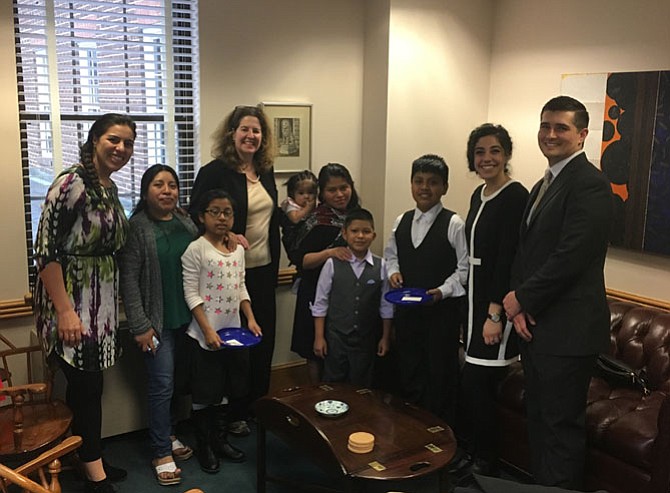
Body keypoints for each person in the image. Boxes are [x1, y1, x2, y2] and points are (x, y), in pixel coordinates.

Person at [502, 96, 613, 489]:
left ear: (582, 135)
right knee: (540, 421)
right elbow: (527, 251)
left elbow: (572, 257)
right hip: (537, 327)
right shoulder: (543, 184)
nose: (551, 134)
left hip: (568, 332)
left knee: (560, 428)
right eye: (545, 125)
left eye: (561, 127)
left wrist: (521, 299)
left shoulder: (591, 185)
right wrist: (517, 305)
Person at [33, 113, 135, 493]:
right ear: (95, 140)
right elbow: (45, 253)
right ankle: (93, 468)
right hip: (72, 302)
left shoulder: (107, 186)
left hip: (101, 304)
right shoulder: (70, 183)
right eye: (113, 139)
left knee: (90, 387)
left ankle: (86, 452)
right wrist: (65, 311)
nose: (121, 149)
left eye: (127, 143)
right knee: (87, 387)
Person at [189, 105, 279, 436]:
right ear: (232, 134)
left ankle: (257, 407)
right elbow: (196, 215)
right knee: (231, 346)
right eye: (244, 129)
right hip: (227, 274)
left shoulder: (266, 170)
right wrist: (226, 234)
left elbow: (266, 218)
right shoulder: (216, 171)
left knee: (260, 340)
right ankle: (230, 414)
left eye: (256, 131)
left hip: (264, 270)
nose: (251, 135)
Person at [118, 164, 198, 486]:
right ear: (145, 190)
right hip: (156, 324)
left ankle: (170, 433)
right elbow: (129, 281)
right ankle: (160, 450)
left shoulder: (186, 222)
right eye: (158, 185)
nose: (166, 190)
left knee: (179, 382)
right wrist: (140, 325)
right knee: (161, 386)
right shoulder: (137, 227)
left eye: (172, 185)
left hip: (188, 320)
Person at [462, 124, 529, 476]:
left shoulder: (515, 196)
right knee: (473, 384)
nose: (487, 158)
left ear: (506, 155)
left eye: (494, 151)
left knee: (478, 384)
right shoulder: (480, 194)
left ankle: (485, 462)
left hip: (493, 305)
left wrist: (494, 314)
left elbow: (507, 257)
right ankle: (474, 452)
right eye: (480, 152)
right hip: (473, 300)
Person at [383, 154, 468, 426]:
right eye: (418, 181)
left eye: (432, 182)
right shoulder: (401, 221)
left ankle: (441, 434)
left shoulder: (454, 223)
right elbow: (391, 255)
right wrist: (393, 272)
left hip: (441, 315)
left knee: (439, 374)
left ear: (444, 187)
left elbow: (464, 269)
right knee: (409, 370)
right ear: (411, 184)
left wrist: (442, 291)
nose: (424, 187)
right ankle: (412, 430)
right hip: (408, 313)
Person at [181, 189, 262, 473]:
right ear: (202, 216)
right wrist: (207, 331)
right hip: (205, 336)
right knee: (205, 394)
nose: (221, 218)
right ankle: (205, 446)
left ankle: (220, 440)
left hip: (233, 335)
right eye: (214, 211)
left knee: (227, 391)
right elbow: (191, 294)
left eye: (227, 212)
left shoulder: (238, 249)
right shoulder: (196, 250)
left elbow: (240, 286)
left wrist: (249, 318)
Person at [288, 163, 361, 383]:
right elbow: (301, 260)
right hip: (314, 291)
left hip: (346, 293)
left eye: (344, 187)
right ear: (322, 193)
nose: (339, 194)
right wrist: (330, 253)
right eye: (332, 190)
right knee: (315, 350)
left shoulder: (356, 216)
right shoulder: (315, 220)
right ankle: (316, 397)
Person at [311, 208, 392, 387]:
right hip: (336, 338)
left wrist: (385, 337)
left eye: (366, 231)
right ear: (345, 234)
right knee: (333, 383)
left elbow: (386, 306)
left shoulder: (381, 266)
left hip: (366, 339)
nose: (360, 236)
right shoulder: (332, 264)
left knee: (363, 384)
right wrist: (319, 337)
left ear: (374, 235)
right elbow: (320, 303)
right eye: (354, 231)